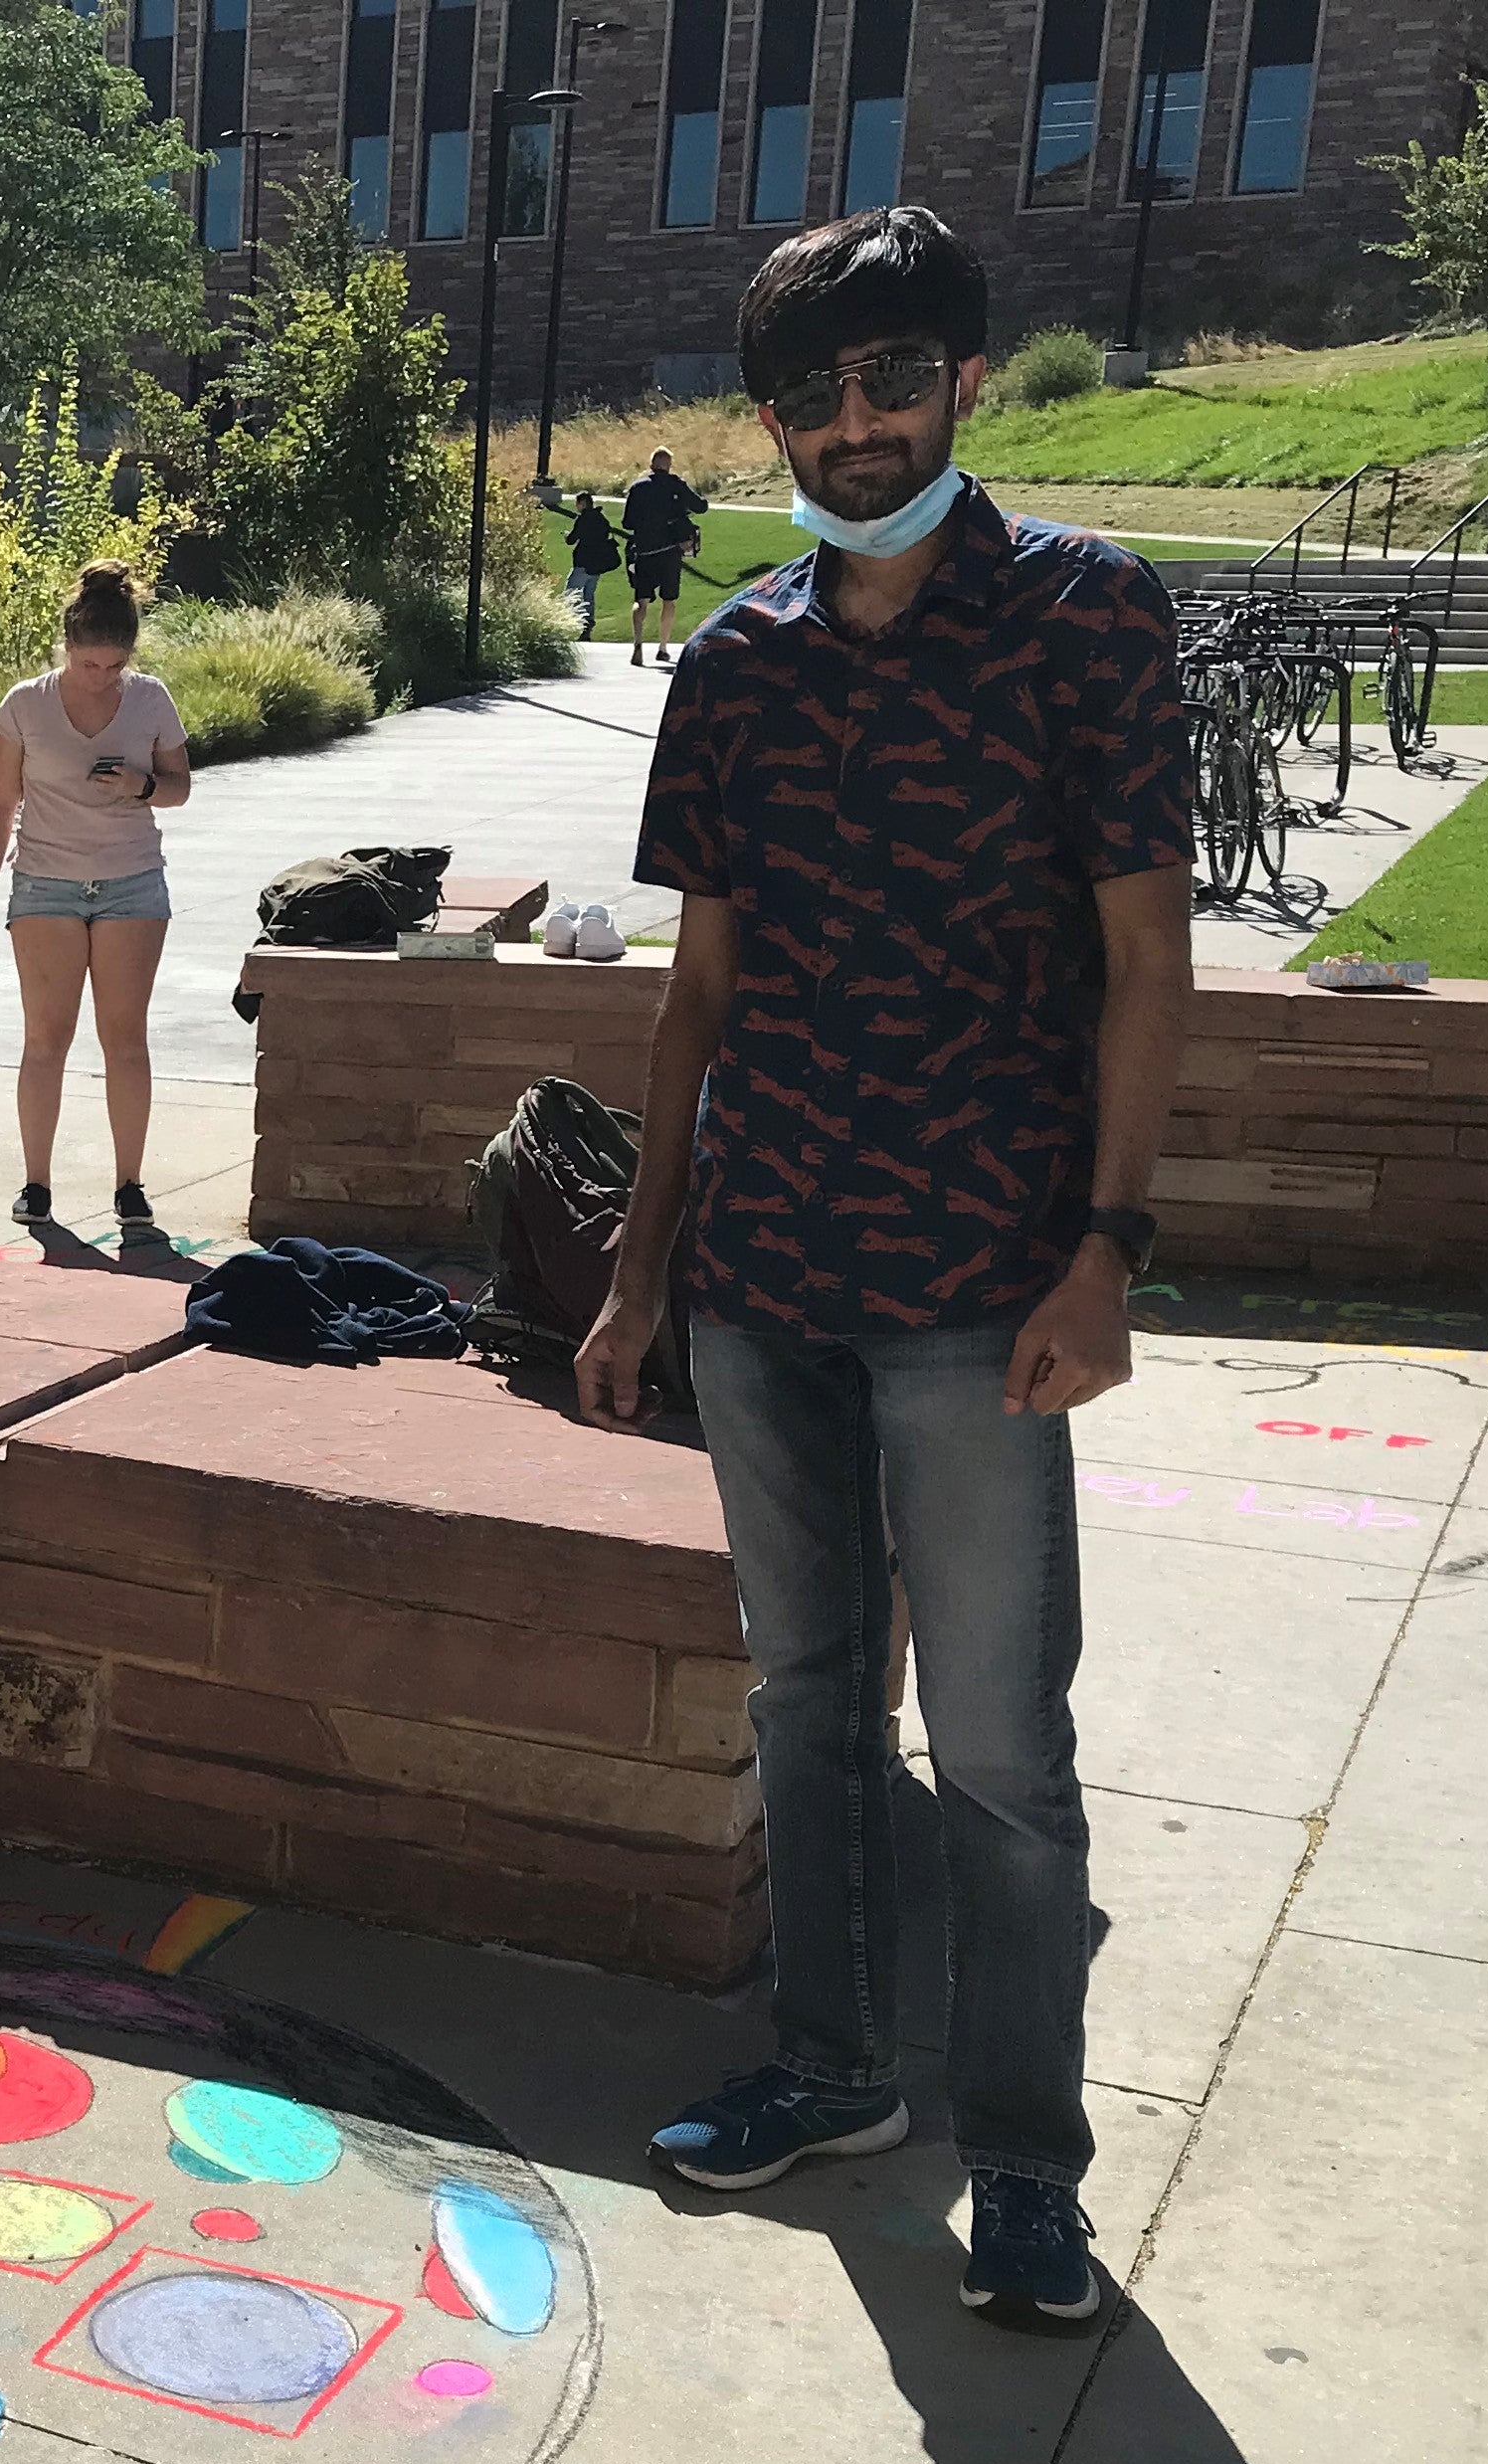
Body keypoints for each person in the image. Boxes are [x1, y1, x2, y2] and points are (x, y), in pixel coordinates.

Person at [578, 204, 1195, 2328]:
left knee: (1004, 1753)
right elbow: (696, 996)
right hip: (767, 1278)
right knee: (812, 1705)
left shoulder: (1083, 621)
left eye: (894, 380)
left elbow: (1146, 962)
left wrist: (1107, 1249)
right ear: (770, 423)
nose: (856, 426)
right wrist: (641, 1271)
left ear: (964, 383)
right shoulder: (735, 665)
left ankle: (1025, 2165)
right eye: (814, 396)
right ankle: (831, 2073)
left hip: (983, 1285)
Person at [0, 560, 190, 1242]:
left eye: (113, 666)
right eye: (89, 664)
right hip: (44, 881)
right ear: (67, 647)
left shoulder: (150, 699)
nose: (101, 676)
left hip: (131, 880)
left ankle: (130, 1186)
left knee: (124, 1039)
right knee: (46, 1039)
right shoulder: (24, 704)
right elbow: (0, 801)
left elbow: (180, 786)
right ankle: (36, 1185)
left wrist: (140, 785)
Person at [622, 448, 706, 665]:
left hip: (645, 550)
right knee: (669, 600)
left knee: (641, 600)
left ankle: (638, 645)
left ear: (651, 464)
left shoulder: (638, 487)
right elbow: (701, 507)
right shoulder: (676, 485)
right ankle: (662, 647)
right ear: (668, 465)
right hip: (671, 551)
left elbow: (627, 522)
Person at [543, 478, 625, 639]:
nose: (576, 507)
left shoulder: (583, 519)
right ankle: (588, 623)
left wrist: (567, 535)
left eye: (577, 504)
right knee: (589, 595)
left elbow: (572, 539)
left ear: (582, 504)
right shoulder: (601, 519)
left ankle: (566, 621)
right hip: (597, 565)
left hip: (583, 562)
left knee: (570, 592)